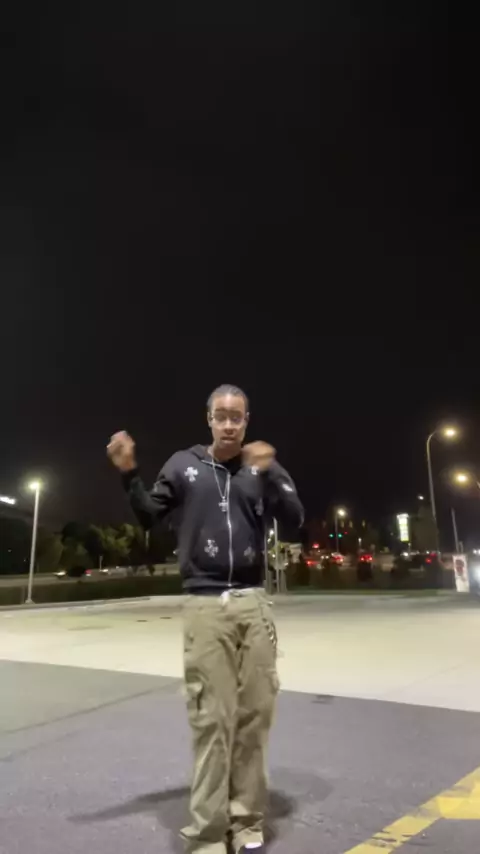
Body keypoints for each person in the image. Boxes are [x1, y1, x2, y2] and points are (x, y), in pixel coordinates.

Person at [107, 384, 304, 854]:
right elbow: (149, 515)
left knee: (255, 716)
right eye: (221, 416)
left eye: (237, 416)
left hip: (253, 603)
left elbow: (295, 516)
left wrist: (271, 472)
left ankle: (247, 819)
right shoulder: (183, 465)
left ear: (247, 421)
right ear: (209, 419)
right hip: (204, 603)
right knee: (211, 719)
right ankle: (209, 833)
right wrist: (129, 472)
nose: (229, 424)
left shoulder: (261, 467)